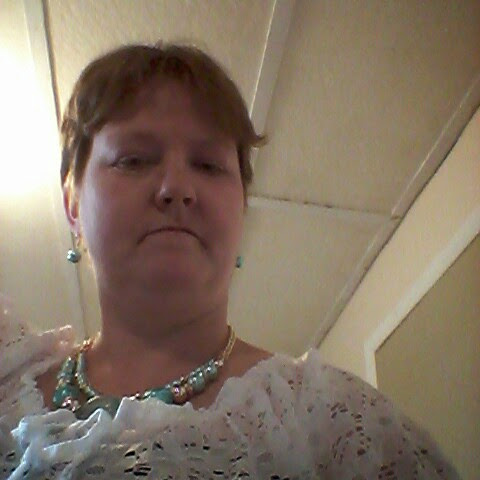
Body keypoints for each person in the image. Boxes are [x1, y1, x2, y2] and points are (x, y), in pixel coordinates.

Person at [0, 43, 460, 479]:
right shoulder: (10, 385)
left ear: (241, 210)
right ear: (72, 204)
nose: (176, 188)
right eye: (134, 160)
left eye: (208, 165)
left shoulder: (335, 424)